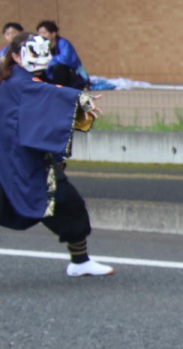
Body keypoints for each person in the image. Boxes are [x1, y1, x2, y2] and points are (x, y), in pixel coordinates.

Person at [0, 33, 114, 277]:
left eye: (45, 52)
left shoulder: (28, 80)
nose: (41, 58)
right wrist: (79, 99)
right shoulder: (16, 82)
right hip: (8, 161)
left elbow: (46, 96)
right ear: (15, 56)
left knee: (68, 203)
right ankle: (80, 261)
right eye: (34, 52)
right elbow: (48, 94)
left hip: (30, 159)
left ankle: (80, 261)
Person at [36, 20, 89, 90]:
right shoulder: (40, 46)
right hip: (50, 75)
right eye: (39, 33)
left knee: (59, 68)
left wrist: (49, 60)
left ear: (53, 34)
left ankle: (60, 90)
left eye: (44, 33)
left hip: (70, 74)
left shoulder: (63, 43)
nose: (41, 35)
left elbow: (65, 59)